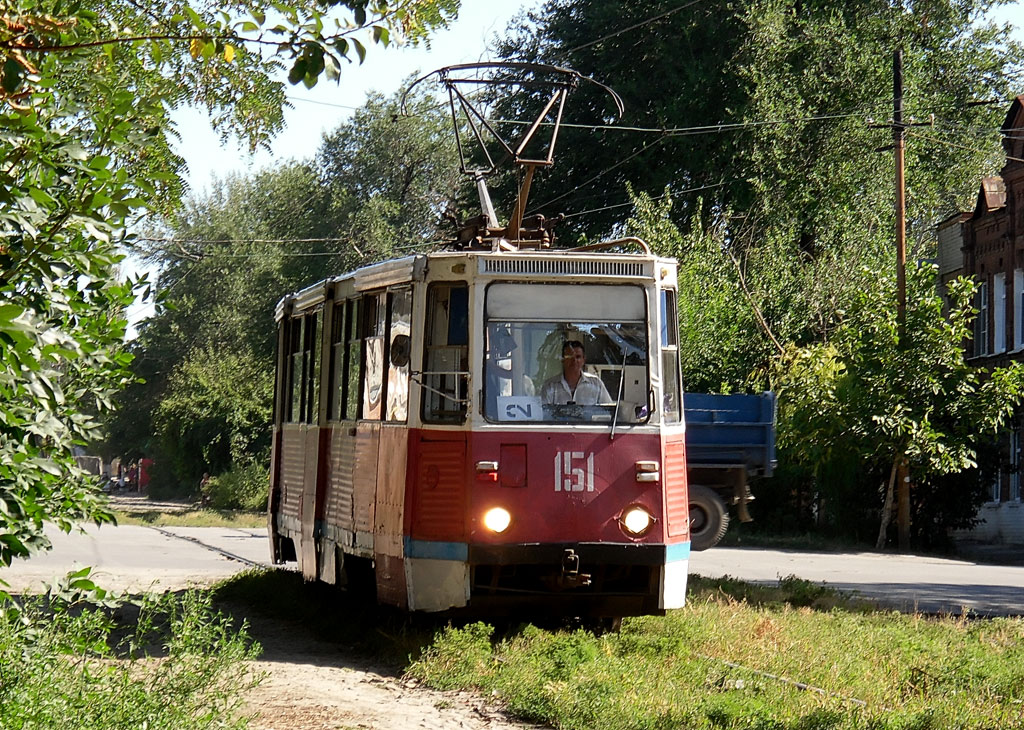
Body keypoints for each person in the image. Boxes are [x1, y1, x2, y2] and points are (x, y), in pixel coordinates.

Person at [540, 339, 612, 405]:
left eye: (578, 357)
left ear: (584, 360)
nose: (574, 360)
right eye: (570, 357)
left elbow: (608, 411)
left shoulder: (596, 384)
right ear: (563, 360)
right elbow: (544, 414)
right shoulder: (550, 386)